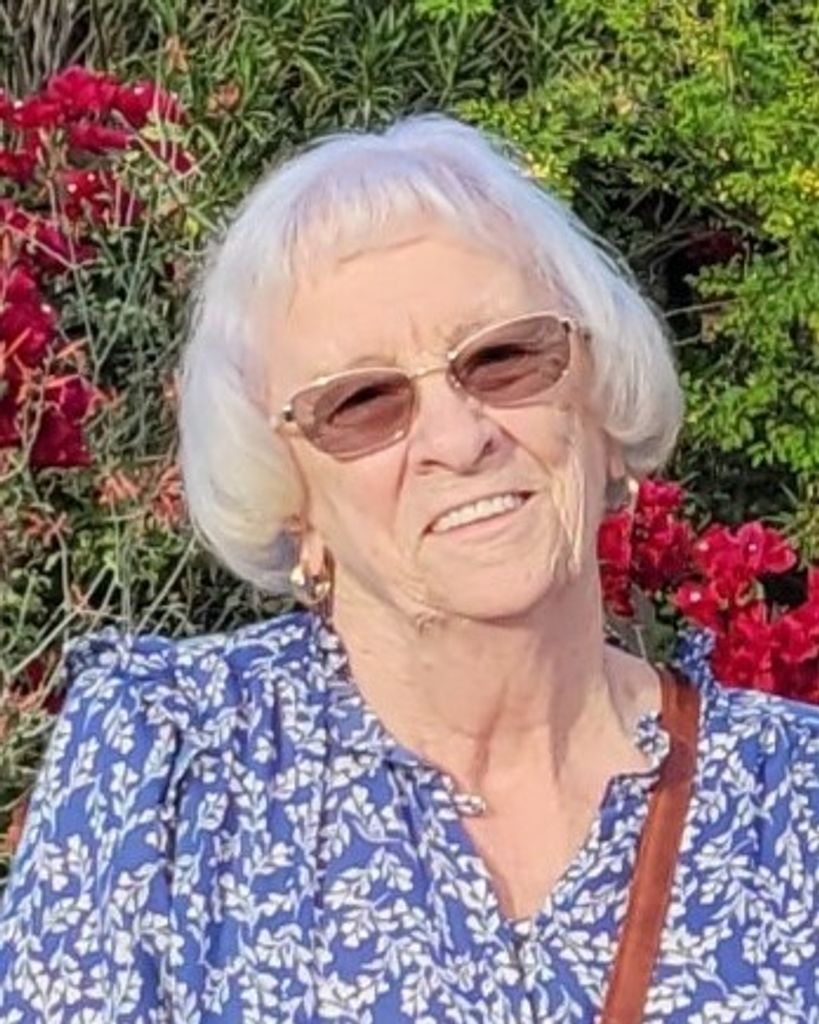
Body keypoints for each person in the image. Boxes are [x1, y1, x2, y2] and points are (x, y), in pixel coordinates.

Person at [0, 113, 816, 1024]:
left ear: (597, 399)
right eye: (362, 402)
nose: (459, 440)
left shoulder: (790, 799)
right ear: (289, 496)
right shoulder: (173, 763)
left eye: (504, 358)